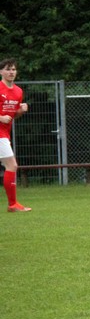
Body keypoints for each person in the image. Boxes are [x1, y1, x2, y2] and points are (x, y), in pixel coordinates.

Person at [1, 58, 31, 212]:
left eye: (13, 69)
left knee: (11, 165)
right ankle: (12, 205)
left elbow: (14, 115)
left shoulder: (18, 91)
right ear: (1, 72)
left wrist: (20, 111)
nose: (11, 72)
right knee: (12, 165)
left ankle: (13, 204)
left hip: (4, 133)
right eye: (8, 69)